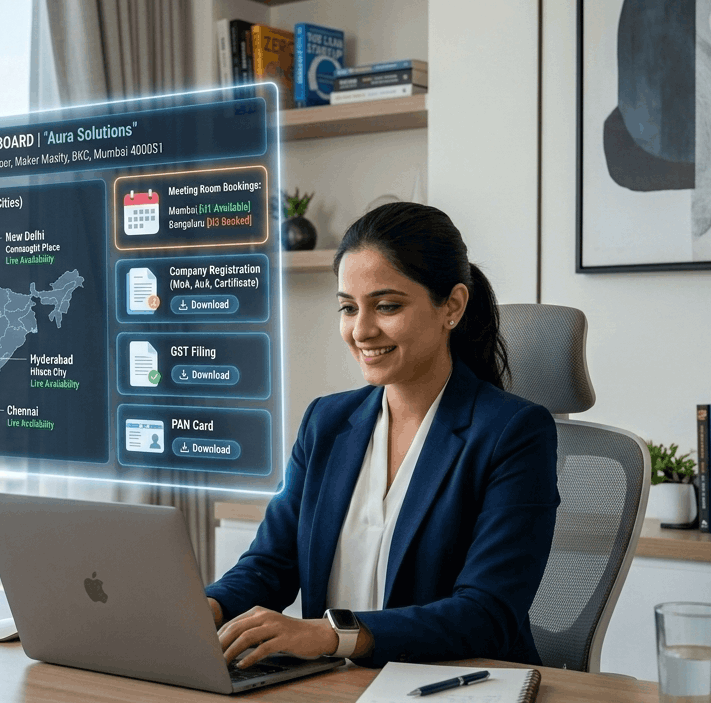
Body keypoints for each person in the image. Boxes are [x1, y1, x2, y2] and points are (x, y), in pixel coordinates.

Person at [205, 202, 559, 669]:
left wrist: (331, 636)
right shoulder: (326, 422)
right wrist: (201, 611)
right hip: (332, 687)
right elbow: (270, 563)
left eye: (387, 306)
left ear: (451, 306)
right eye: (348, 308)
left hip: (449, 687)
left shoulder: (513, 433)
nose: (361, 330)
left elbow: (487, 613)